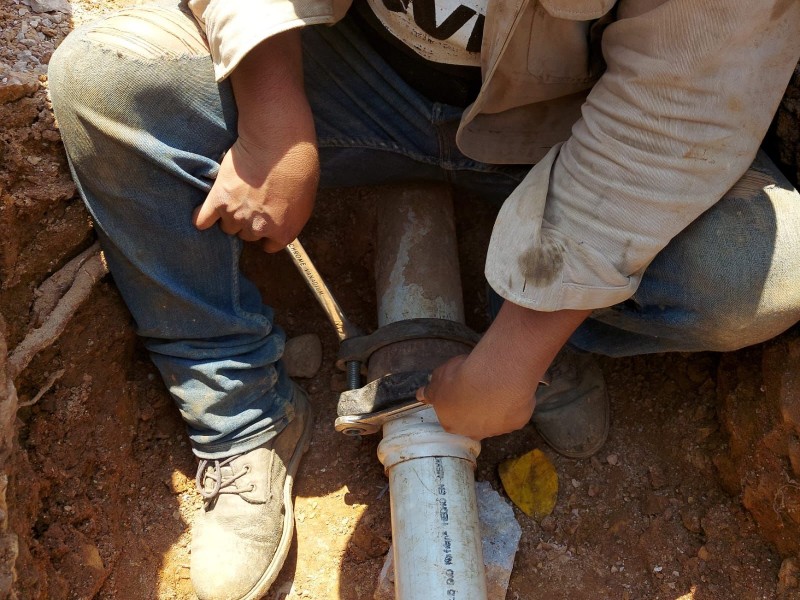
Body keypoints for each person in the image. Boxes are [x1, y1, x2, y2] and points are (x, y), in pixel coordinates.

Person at [48, 0, 800, 598]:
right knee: (107, 82)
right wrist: (272, 110)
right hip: (347, 72)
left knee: (759, 274)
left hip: (568, 120)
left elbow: (674, 113)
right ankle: (242, 415)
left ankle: (544, 339)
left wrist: (517, 352)